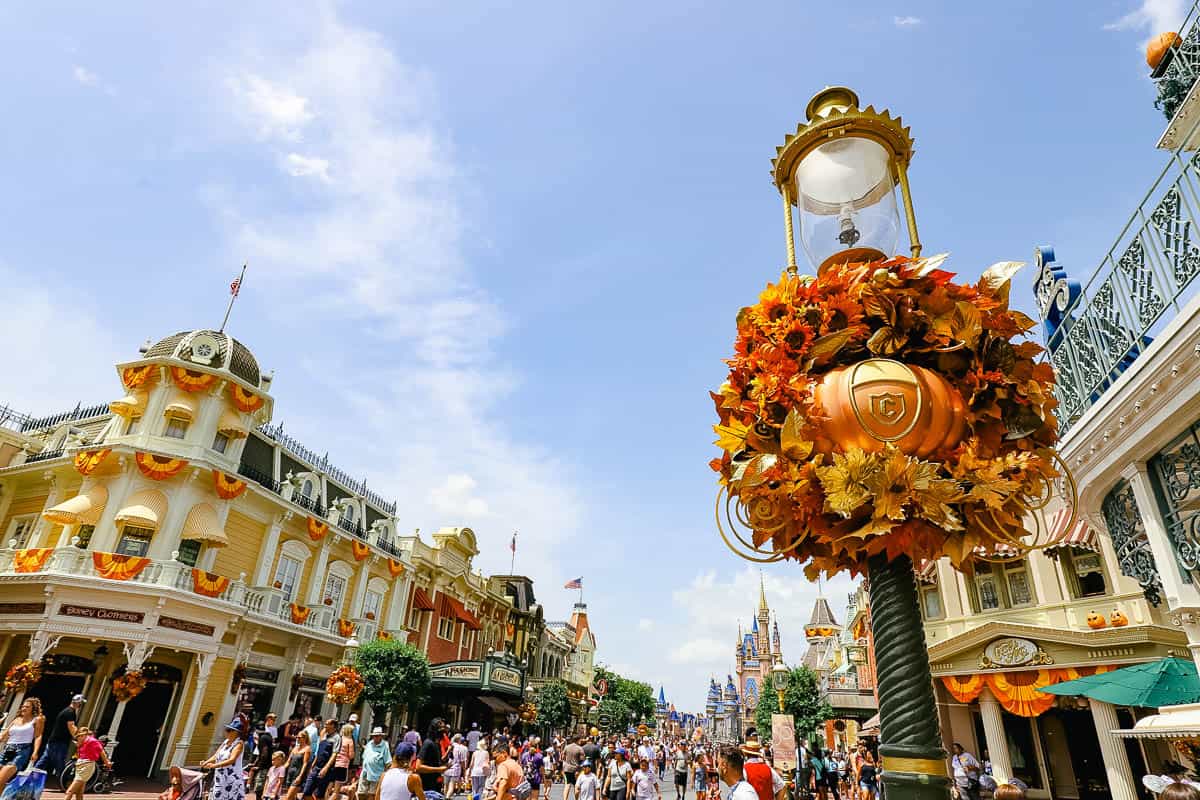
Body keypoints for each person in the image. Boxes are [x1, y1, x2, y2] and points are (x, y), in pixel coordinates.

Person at [0, 697, 44, 794]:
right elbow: (4, 735)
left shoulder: (37, 720)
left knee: (1, 779)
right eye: (23, 706)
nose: (24, 708)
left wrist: (35, 752)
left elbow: (38, 736)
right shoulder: (16, 719)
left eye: (27, 707)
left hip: (21, 752)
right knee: (1, 782)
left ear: (33, 708)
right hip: (7, 750)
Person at [36, 693, 83, 777]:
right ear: (78, 703)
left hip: (53, 740)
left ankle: (31, 776)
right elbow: (71, 726)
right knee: (60, 762)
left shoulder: (66, 710)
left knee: (44, 761)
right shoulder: (70, 712)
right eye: (80, 703)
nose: (80, 705)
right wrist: (78, 738)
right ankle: (63, 782)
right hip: (60, 742)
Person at [203, 716, 249, 800]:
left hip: (231, 778)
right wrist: (206, 762)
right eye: (227, 729)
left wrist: (214, 766)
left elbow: (232, 760)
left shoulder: (239, 743)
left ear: (236, 733)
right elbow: (216, 756)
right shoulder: (225, 742)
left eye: (229, 730)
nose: (226, 732)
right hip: (220, 777)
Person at [64, 727, 110, 800]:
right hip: (80, 765)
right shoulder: (82, 742)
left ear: (85, 735)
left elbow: (101, 751)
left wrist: (107, 762)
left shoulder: (92, 741)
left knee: (70, 791)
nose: (78, 738)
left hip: (87, 766)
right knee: (79, 792)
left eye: (80, 736)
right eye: (78, 736)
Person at [303, 718, 342, 800]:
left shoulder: (337, 737)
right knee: (306, 791)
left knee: (319, 794)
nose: (325, 725)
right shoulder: (324, 735)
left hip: (326, 769)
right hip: (316, 767)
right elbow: (319, 751)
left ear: (333, 726)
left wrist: (326, 768)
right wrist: (313, 765)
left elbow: (334, 754)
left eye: (327, 723)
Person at [417, 719, 450, 798]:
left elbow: (437, 762)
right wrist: (438, 769)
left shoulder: (437, 744)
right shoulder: (428, 743)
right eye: (441, 729)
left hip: (436, 786)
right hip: (427, 788)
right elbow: (418, 767)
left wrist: (444, 764)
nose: (444, 733)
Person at [361, 728, 392, 800]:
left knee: (372, 795)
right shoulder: (369, 743)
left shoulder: (385, 745)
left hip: (376, 775)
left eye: (377, 736)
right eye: (374, 736)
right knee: (361, 793)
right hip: (365, 772)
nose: (375, 737)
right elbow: (364, 757)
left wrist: (384, 776)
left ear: (381, 736)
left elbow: (388, 762)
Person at [329, 723, 357, 800]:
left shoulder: (338, 738)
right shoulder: (350, 740)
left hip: (333, 764)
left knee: (329, 789)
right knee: (336, 792)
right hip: (342, 765)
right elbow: (351, 756)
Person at [284, 732, 313, 800]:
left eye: (299, 737)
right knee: (293, 797)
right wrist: (280, 769)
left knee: (288, 797)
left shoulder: (307, 749)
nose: (297, 739)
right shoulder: (295, 748)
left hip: (297, 774)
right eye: (297, 737)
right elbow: (288, 761)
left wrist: (300, 776)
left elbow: (305, 764)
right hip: (290, 774)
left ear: (304, 738)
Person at [253, 724, 278, 800]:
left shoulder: (262, 738)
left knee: (259, 787)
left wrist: (259, 766)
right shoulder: (268, 736)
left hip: (264, 766)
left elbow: (264, 752)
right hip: (269, 764)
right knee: (266, 784)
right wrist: (255, 762)